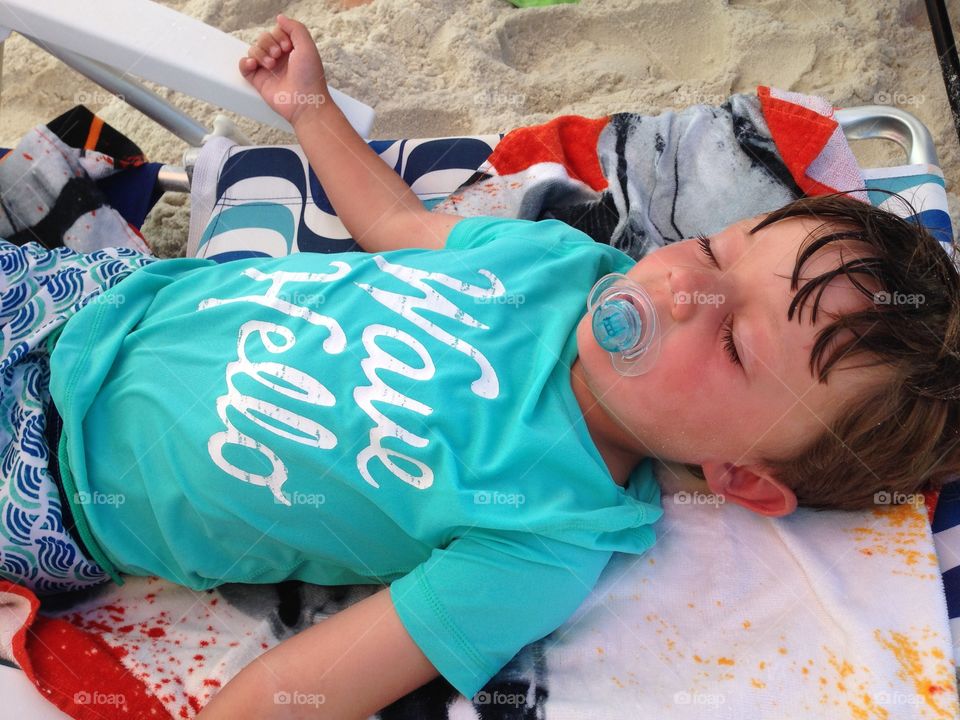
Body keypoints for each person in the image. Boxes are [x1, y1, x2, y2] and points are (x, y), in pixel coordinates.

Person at [0, 13, 957, 720]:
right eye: (710, 254)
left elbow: (315, 685)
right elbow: (401, 229)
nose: (677, 291)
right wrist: (311, 110)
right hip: (94, 299)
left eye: (736, 343)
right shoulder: (562, 267)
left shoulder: (550, 535)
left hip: (51, 484)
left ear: (738, 476)